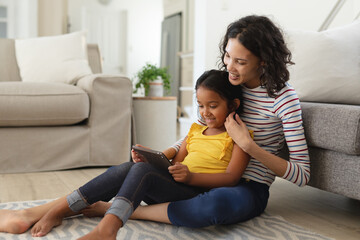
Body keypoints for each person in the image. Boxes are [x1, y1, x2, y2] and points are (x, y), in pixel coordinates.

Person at [0, 69, 251, 239]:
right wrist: (156, 160)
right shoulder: (196, 129)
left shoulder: (238, 135)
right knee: (130, 168)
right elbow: (175, 162)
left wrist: (190, 177)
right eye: (200, 105)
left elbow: (231, 178)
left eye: (213, 106)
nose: (205, 112)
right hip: (176, 187)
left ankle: (107, 227)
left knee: (139, 171)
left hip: (197, 193)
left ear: (233, 105)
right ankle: (59, 211)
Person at [113, 14, 310, 227]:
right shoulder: (227, 84)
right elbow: (199, 132)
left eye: (240, 62)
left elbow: (302, 175)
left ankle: (133, 212)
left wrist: (248, 146)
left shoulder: (284, 99)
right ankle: (93, 207)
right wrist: (165, 155)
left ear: (263, 60)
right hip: (202, 177)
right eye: (227, 56)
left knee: (214, 206)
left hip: (247, 187)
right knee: (133, 170)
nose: (230, 67)